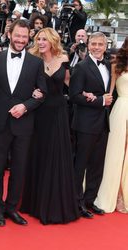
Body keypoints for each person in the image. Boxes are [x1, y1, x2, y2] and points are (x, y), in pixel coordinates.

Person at [0, 19, 47, 227]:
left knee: (19, 168)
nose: (21, 40)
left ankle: (12, 207)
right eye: (17, 35)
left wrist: (26, 106)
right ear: (9, 34)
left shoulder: (36, 63)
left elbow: (42, 93)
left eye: (24, 36)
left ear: (28, 37)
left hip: (24, 123)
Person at [20, 28, 79, 224]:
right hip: (38, 112)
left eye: (45, 39)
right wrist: (32, 93)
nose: (41, 42)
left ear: (53, 40)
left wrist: (88, 94)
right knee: (39, 153)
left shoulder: (64, 58)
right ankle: (34, 202)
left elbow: (70, 83)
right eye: (39, 39)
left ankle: (55, 203)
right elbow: (23, 83)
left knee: (57, 154)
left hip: (58, 112)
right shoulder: (32, 59)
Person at [69, 32, 112, 218]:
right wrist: (100, 101)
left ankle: (90, 200)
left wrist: (105, 101)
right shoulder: (81, 67)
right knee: (81, 165)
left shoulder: (109, 65)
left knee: (97, 165)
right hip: (85, 124)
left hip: (103, 123)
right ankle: (77, 203)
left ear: (105, 46)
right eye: (93, 43)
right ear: (87, 44)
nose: (96, 47)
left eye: (99, 44)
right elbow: (74, 96)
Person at [94, 37, 128, 213]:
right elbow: (109, 92)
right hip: (121, 111)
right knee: (116, 151)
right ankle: (112, 194)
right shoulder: (117, 64)